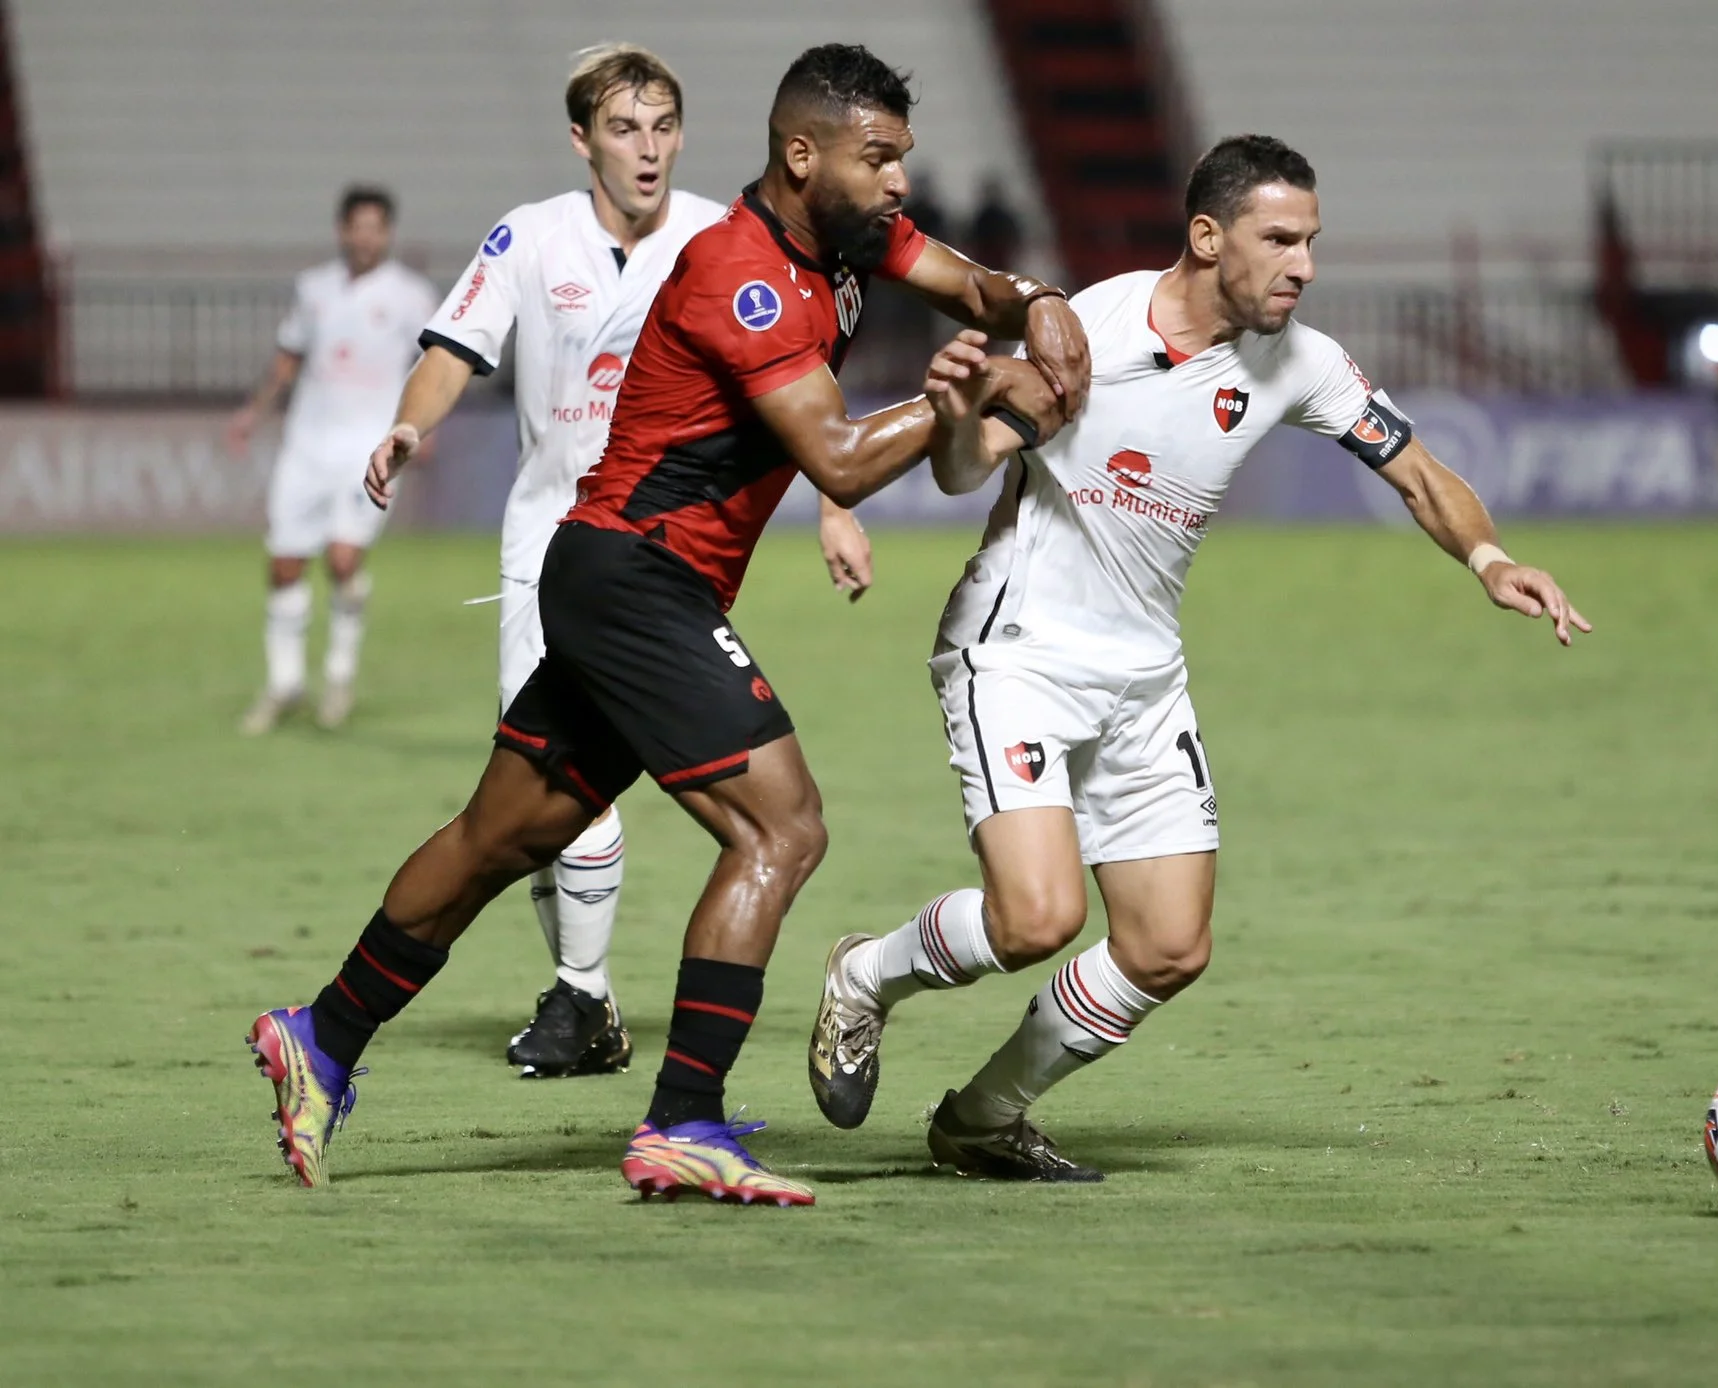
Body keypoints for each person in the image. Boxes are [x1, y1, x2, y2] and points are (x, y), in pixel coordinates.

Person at [245, 43, 1090, 1205]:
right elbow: (837, 452)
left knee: (503, 834)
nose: (900, 182)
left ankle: (323, 1033)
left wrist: (1036, 303)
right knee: (781, 829)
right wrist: (975, 389)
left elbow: (972, 283)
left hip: (621, 579)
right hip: (635, 578)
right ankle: (685, 1119)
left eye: (900, 157)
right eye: (877, 157)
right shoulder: (738, 272)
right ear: (804, 155)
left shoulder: (852, 237)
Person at [807, 134, 1593, 1181]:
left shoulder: (1299, 360)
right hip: (1018, 654)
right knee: (1038, 916)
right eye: (1279, 239)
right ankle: (864, 972)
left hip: (1142, 675)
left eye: (1310, 241)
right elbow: (964, 472)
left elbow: (1416, 468)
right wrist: (960, 416)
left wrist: (1487, 556)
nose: (1302, 264)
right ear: (1206, 236)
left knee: (1168, 944)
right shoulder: (1088, 326)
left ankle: (984, 1114)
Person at [356, 44, 874, 1081]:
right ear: (582, 139)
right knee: (557, 809)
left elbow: (801, 390)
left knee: (538, 807)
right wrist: (409, 430)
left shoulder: (723, 241)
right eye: (624, 128)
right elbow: (453, 349)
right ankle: (593, 1007)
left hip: (662, 558)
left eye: (663, 126)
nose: (647, 148)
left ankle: (385, 1023)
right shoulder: (529, 236)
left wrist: (833, 504)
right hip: (552, 542)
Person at [229, 187, 438, 734]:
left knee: (343, 559)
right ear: (342, 230)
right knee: (283, 564)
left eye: (376, 227)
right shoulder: (313, 288)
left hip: (369, 447)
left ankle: (339, 676)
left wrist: (424, 427)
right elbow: (288, 359)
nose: (366, 236)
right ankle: (285, 683)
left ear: (387, 233)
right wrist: (253, 413)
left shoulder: (411, 296)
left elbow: (437, 364)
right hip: (307, 444)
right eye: (357, 226)